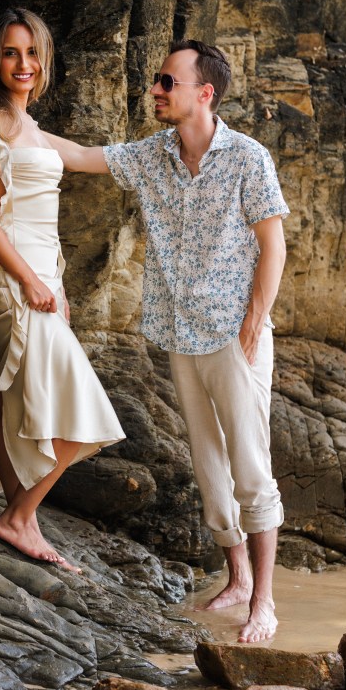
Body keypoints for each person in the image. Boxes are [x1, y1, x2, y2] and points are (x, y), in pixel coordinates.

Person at [45, 40, 288, 640]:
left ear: (204, 93)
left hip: (235, 334)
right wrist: (12, 116)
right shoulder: (154, 154)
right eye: (157, 80)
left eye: (166, 81)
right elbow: (78, 155)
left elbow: (273, 243)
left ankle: (264, 602)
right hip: (181, 332)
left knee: (250, 465)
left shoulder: (248, 158)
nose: (155, 89)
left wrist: (255, 321)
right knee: (208, 463)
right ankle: (235, 580)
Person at [0, 7, 125, 571]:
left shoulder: (36, 132)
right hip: (9, 276)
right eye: (10, 52)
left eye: (32, 52)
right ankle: (19, 517)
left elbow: (78, 171)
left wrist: (56, 282)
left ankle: (14, 515)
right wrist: (28, 279)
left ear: (45, 58)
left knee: (13, 396)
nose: (22, 64)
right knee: (83, 407)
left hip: (41, 277)